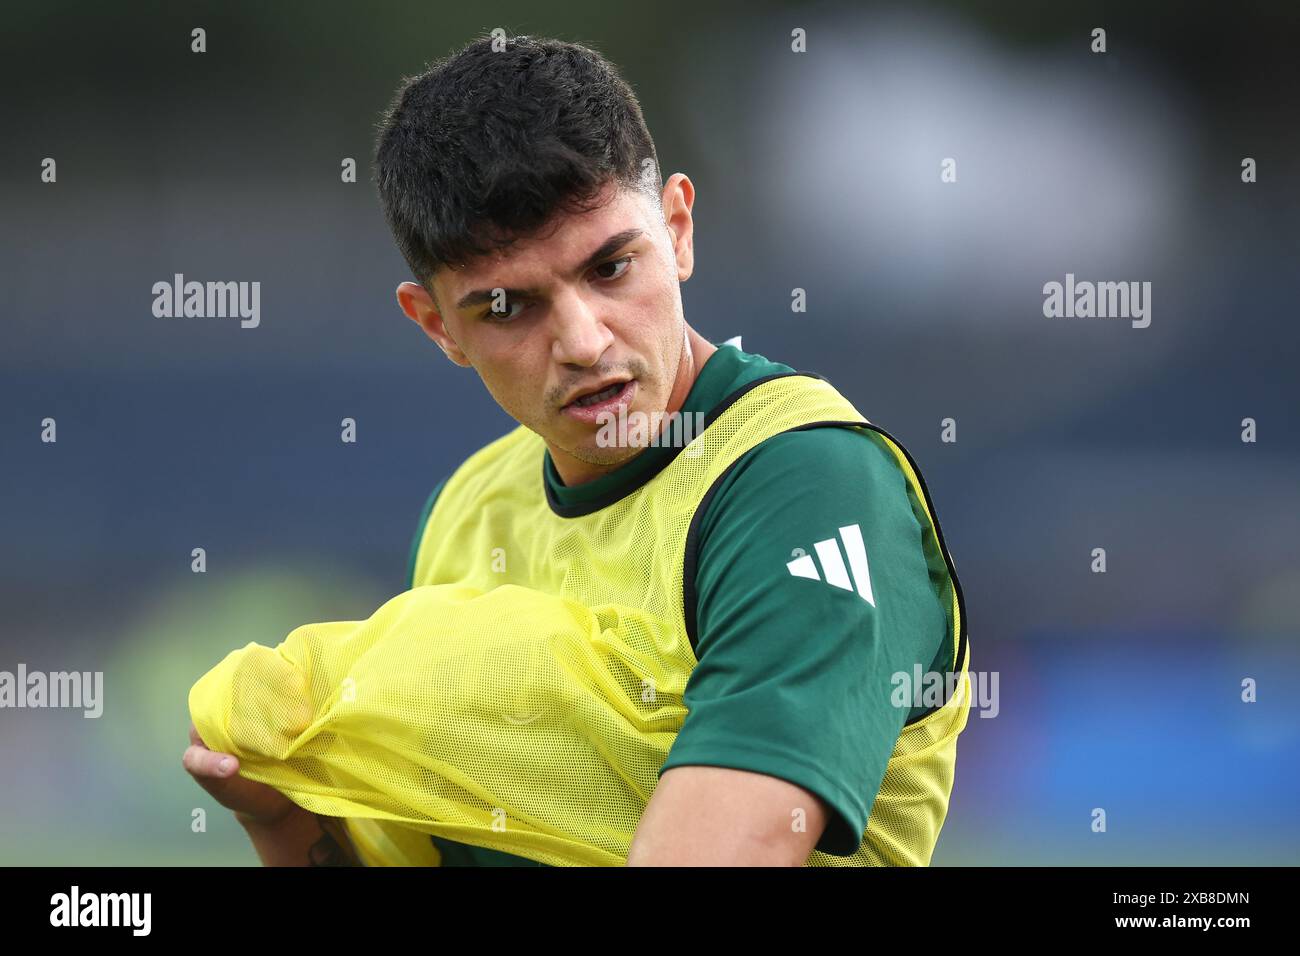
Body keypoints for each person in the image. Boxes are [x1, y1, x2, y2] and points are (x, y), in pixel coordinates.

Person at [184, 33, 970, 867]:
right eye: (507, 308)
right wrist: (278, 821)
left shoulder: (806, 484)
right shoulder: (466, 512)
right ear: (438, 327)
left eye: (610, 268)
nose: (584, 341)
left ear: (677, 228)